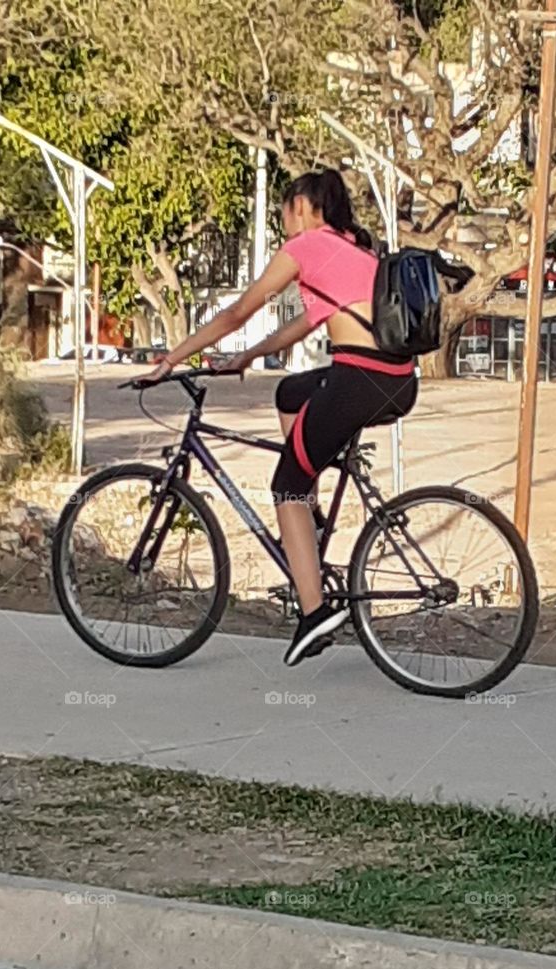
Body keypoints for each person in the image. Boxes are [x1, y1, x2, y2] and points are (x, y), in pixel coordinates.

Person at [145, 168, 418, 666]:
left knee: (285, 485)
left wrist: (172, 358)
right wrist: (251, 355)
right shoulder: (354, 247)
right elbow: (304, 323)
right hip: (397, 381)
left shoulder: (308, 247)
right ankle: (309, 518)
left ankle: (313, 613)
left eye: (284, 209)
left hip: (357, 382)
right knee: (292, 392)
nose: (282, 219)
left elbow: (236, 312)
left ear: (303, 207)